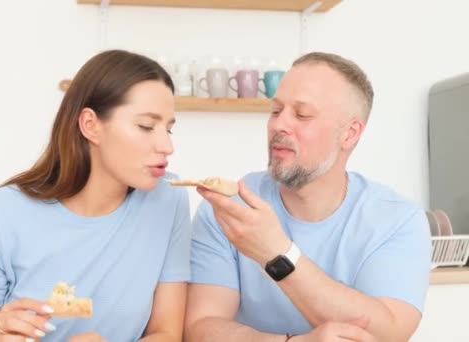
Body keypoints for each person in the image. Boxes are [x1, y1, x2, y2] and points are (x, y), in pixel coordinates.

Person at [185, 52, 431, 342]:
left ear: (350, 134)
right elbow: (200, 328)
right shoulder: (229, 207)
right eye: (276, 111)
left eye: (302, 115)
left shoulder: (397, 220)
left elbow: (386, 334)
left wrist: (277, 253)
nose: (279, 125)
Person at [0, 49, 191, 342]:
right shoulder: (3, 211)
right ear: (90, 125)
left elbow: (167, 333)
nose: (167, 146)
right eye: (146, 126)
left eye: (169, 129)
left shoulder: (168, 200)